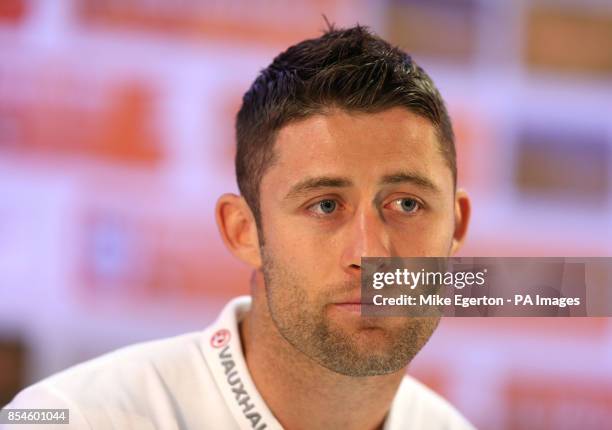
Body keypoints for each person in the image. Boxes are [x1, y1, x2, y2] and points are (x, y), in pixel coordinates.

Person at [2, 24, 472, 429]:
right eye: (326, 205)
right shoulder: (78, 418)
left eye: (407, 203)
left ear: (455, 226)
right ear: (243, 230)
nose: (371, 253)